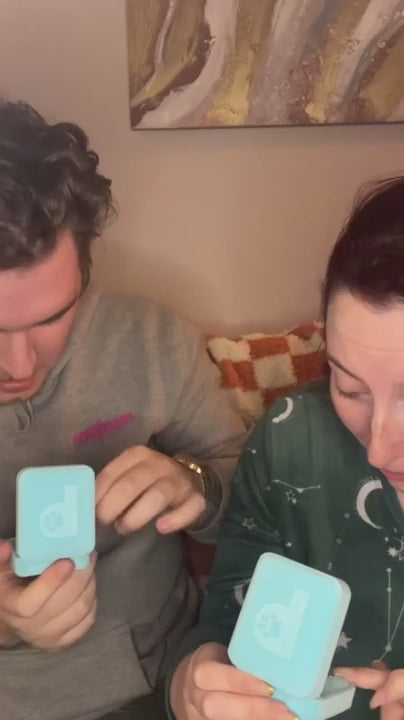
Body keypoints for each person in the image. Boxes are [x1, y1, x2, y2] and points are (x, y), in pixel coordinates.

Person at [0, 100, 249, 720]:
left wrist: (195, 484)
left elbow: (254, 493)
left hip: (158, 683)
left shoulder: (154, 340)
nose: (17, 364)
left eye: (52, 318)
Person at [170, 176, 404, 720]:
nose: (378, 450)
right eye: (350, 389)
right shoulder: (292, 437)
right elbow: (226, 624)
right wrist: (191, 688)